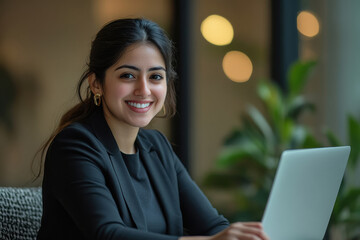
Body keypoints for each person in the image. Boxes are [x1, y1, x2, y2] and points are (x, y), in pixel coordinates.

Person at [36, 18, 269, 240]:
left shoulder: (156, 147)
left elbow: (212, 225)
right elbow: (107, 234)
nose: (144, 89)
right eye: (128, 75)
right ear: (96, 83)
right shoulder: (74, 146)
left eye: (156, 76)